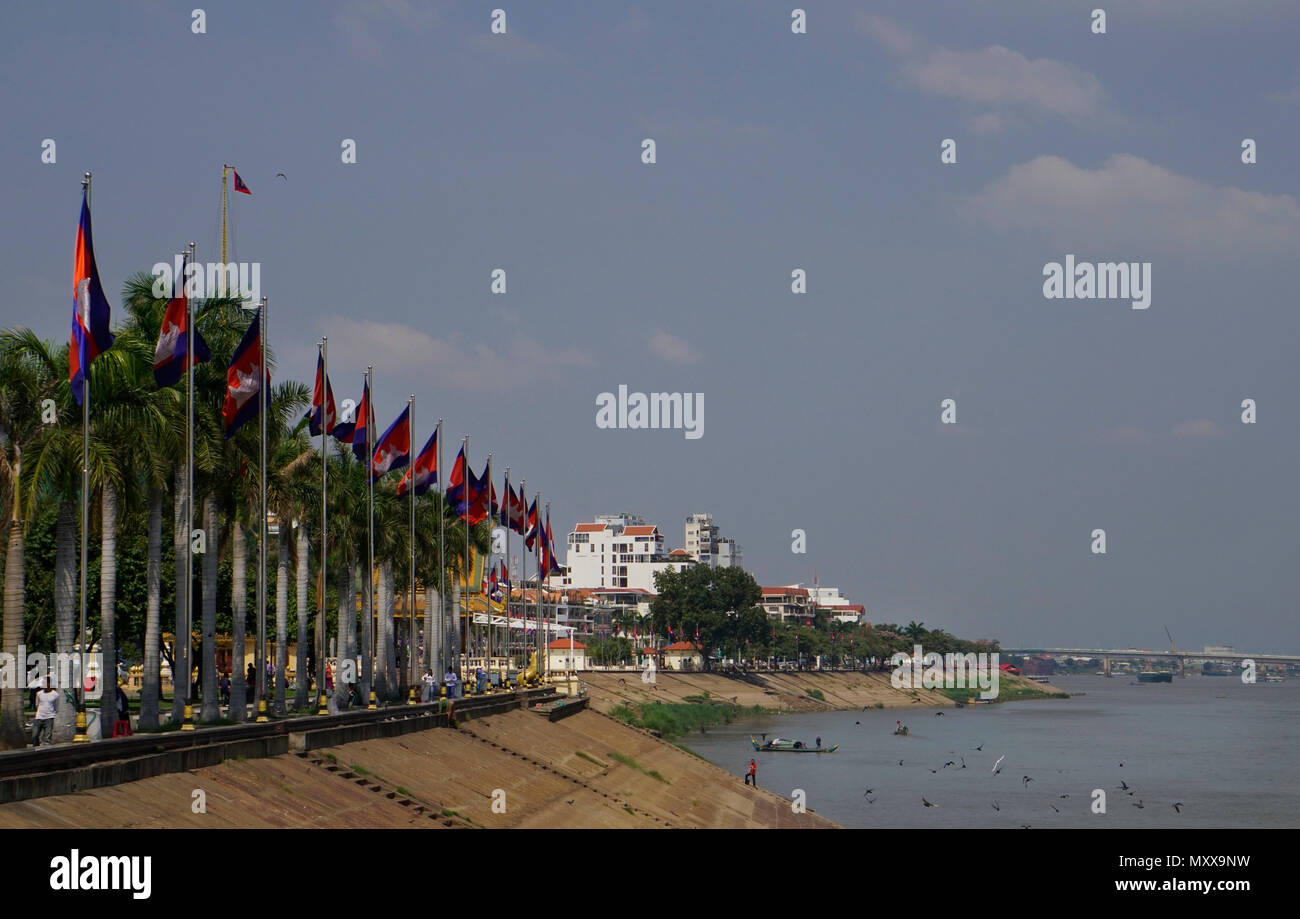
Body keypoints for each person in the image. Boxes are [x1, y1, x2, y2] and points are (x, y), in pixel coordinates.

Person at [33, 679, 59, 747]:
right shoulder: (39, 693)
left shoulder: (55, 694)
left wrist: (53, 714)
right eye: (42, 683)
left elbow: (56, 706)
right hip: (39, 717)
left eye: (45, 683)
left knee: (47, 737)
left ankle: (46, 750)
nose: (43, 685)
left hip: (49, 717)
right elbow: (37, 704)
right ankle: (35, 748)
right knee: (35, 735)